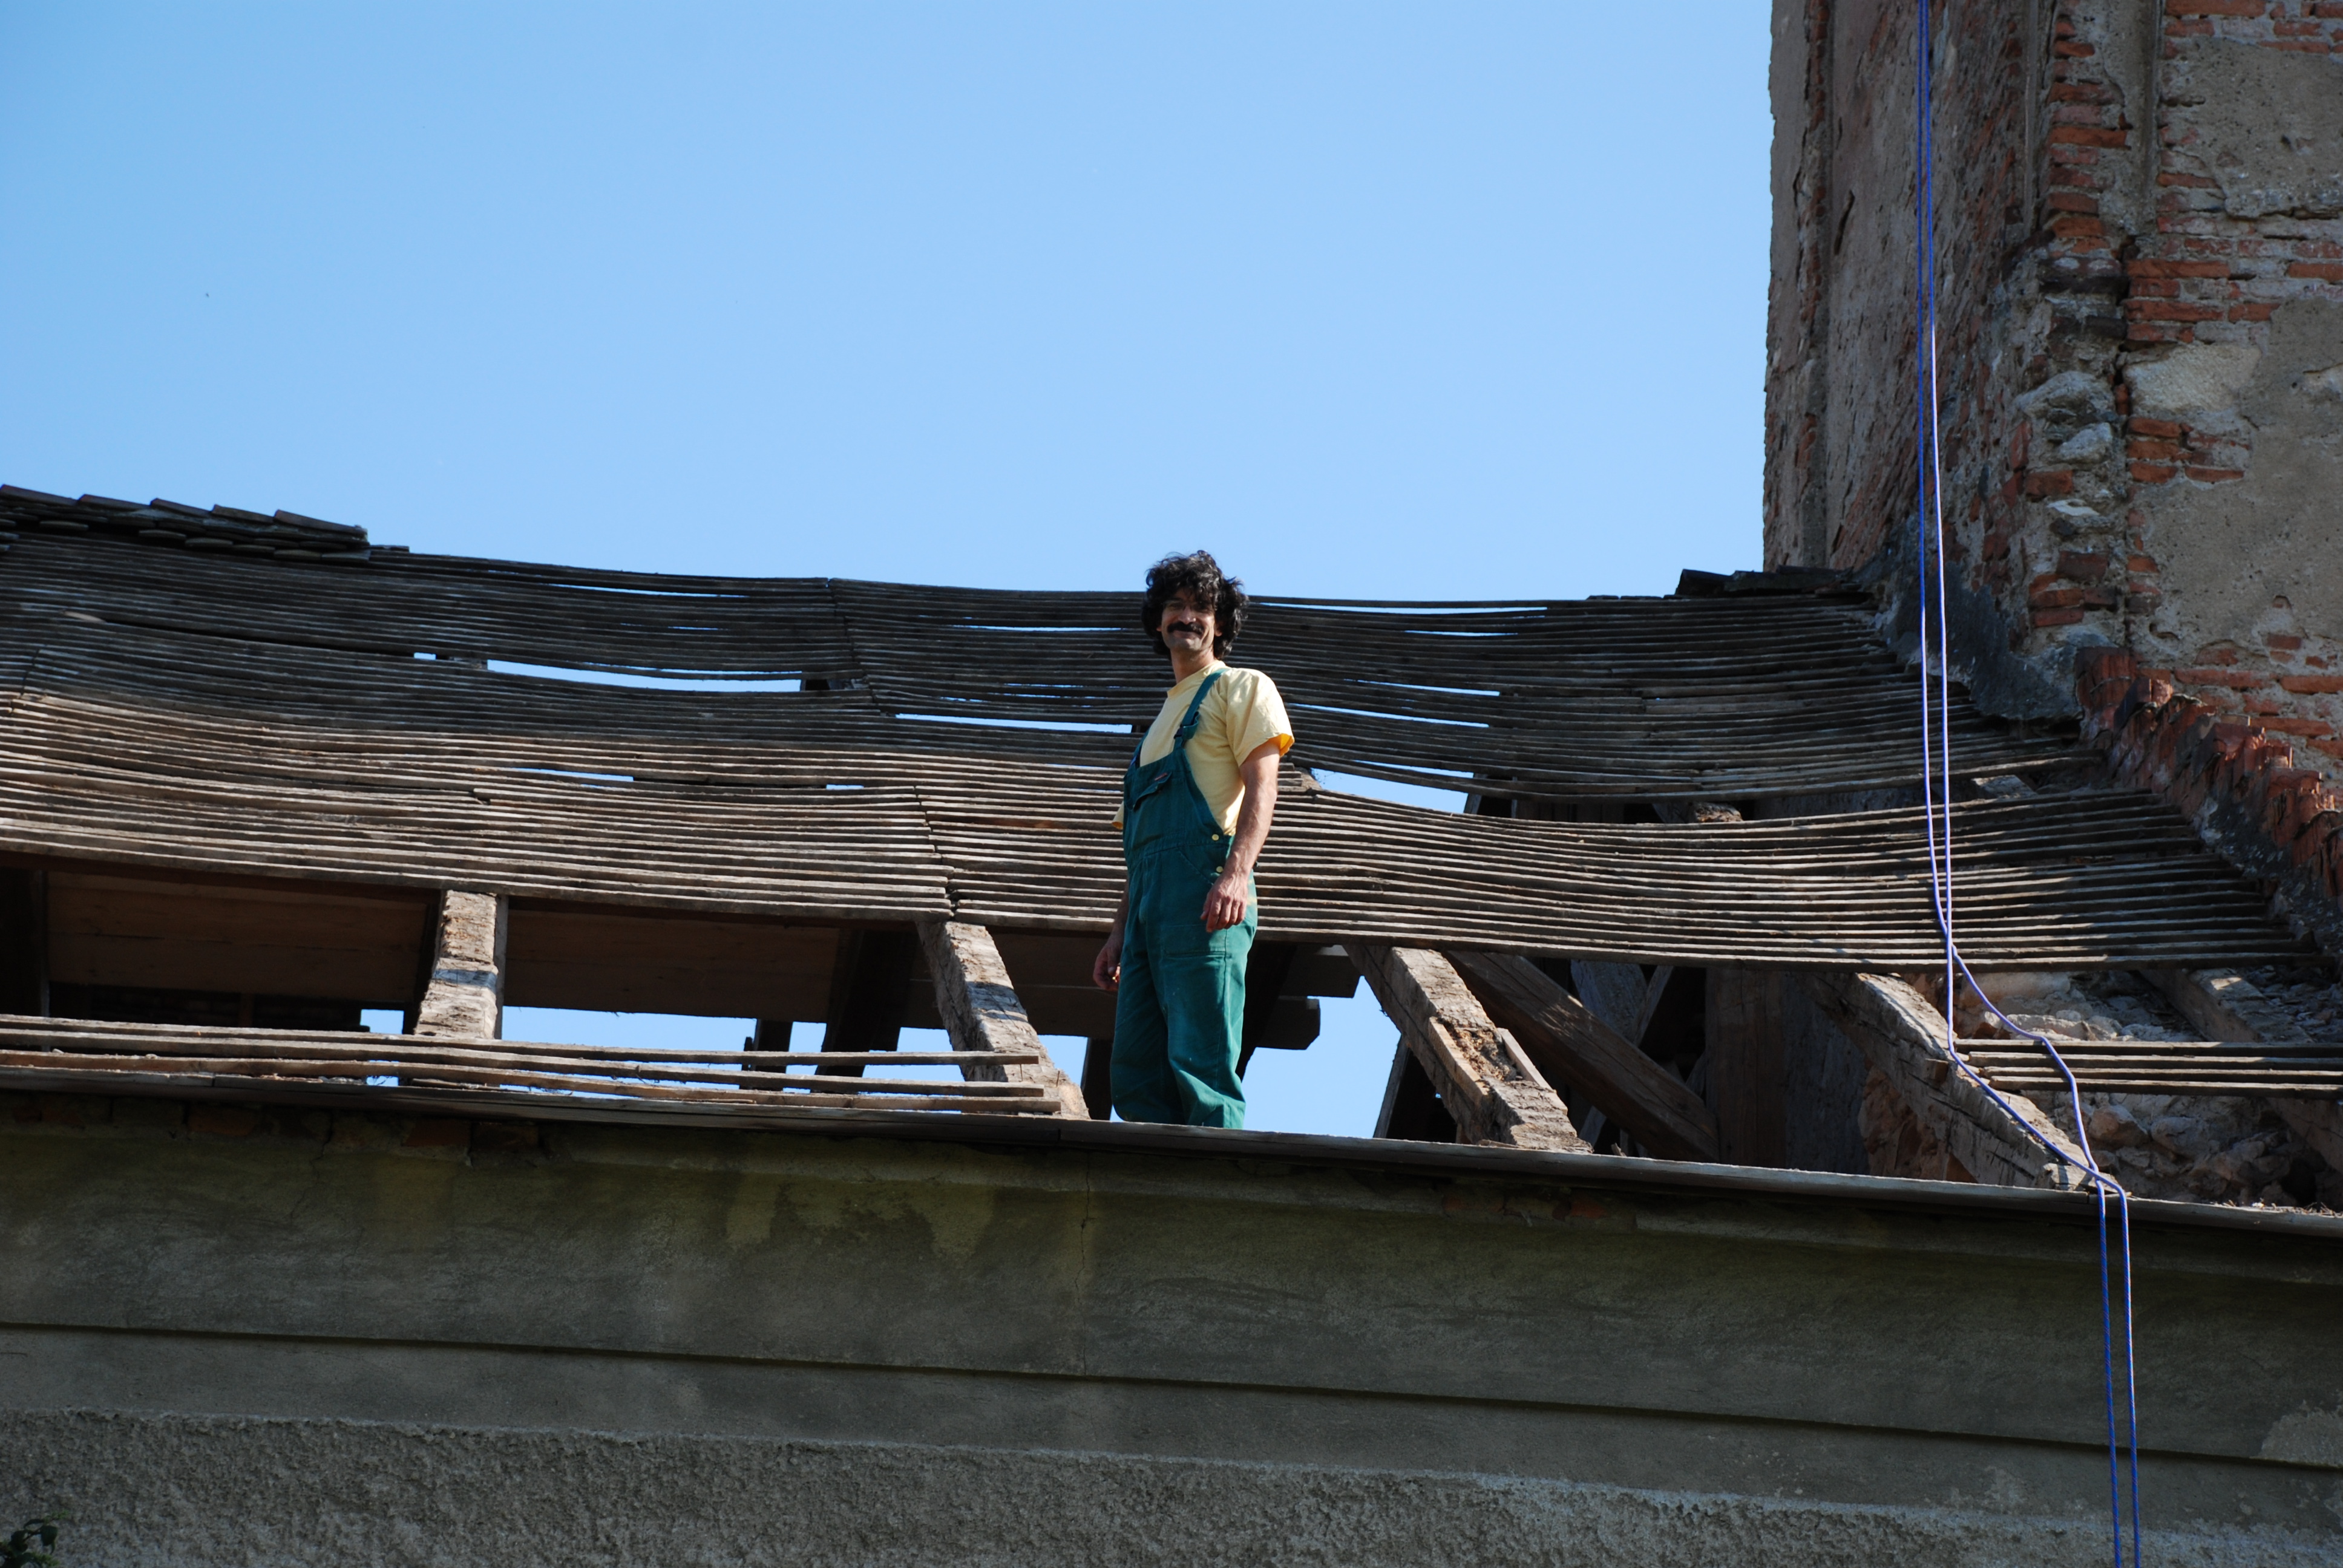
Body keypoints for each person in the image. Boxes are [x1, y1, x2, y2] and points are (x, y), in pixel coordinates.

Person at [1092, 550, 1293, 1128]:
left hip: (1205, 899)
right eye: (1175, 606)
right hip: (1147, 914)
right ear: (1158, 621)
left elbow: (1263, 789)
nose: (1187, 617)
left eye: (1201, 608)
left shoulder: (1240, 687)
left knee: (1202, 1065)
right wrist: (1118, 934)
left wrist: (1236, 876)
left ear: (1220, 624)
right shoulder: (1155, 729)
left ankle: (1219, 1177)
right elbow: (1140, 854)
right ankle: (1150, 1181)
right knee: (1136, 1074)